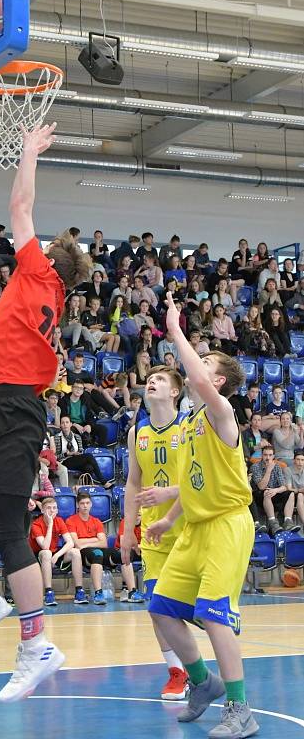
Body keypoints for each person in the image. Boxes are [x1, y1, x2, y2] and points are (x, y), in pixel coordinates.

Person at [0, 124, 92, 703]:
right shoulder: (41, 295)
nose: (36, 241)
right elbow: (20, 365)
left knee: (7, 526)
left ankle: (37, 646)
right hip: (1, 404)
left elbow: (20, 204)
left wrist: (27, 152)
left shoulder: (38, 273)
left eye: (45, 244)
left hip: (17, 414)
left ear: (52, 260)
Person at [147, 294, 258, 739]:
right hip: (193, 527)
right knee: (161, 609)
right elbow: (192, 480)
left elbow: (195, 374)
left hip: (228, 526)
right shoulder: (191, 422)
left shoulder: (221, 412)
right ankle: (202, 682)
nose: (198, 365)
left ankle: (239, 707)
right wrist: (170, 519)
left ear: (218, 380)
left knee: (214, 616)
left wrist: (175, 329)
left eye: (205, 361)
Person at [121, 365, 189, 701]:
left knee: (197, 607)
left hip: (190, 524)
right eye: (151, 378)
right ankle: (177, 671)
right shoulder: (138, 431)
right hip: (152, 530)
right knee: (157, 606)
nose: (153, 381)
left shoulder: (190, 427)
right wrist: (126, 529)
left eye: (161, 379)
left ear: (175, 391)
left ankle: (207, 661)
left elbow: (200, 478)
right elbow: (133, 481)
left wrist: (169, 493)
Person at [66, 491, 142, 604]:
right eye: (82, 503)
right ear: (77, 505)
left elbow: (104, 543)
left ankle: (132, 592)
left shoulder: (96, 521)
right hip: (83, 554)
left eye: (87, 503)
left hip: (97, 550)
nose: (85, 506)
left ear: (91, 504)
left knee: (123, 555)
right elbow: (77, 544)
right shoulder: (71, 520)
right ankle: (98, 593)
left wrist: (86, 541)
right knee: (97, 553)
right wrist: (95, 540)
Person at [29, 497, 87, 606]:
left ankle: (79, 591)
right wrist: (50, 524)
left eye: (54, 508)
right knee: (47, 553)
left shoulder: (59, 521)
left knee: (75, 552)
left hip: (54, 553)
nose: (52, 511)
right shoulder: (36, 524)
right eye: (48, 508)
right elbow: (45, 546)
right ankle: (48, 593)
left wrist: (57, 555)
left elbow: (70, 542)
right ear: (42, 510)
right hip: (38, 556)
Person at [251, 446, 297, 534]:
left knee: (290, 493)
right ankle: (273, 523)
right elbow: (261, 486)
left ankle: (288, 521)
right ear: (262, 455)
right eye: (265, 455)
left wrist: (275, 490)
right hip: (260, 496)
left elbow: (284, 486)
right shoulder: (255, 467)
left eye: (270, 455)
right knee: (266, 491)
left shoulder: (277, 467)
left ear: (273, 456)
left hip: (274, 493)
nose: (267, 458)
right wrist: (268, 470)